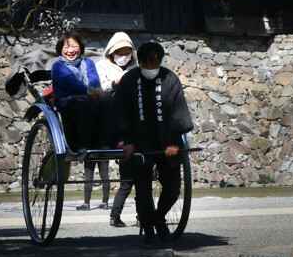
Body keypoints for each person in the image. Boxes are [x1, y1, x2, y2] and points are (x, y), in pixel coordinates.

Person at [111, 40, 194, 243]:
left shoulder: (170, 79)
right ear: (139, 62)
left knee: (173, 187)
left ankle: (159, 217)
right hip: (138, 142)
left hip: (167, 143)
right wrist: (127, 141)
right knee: (143, 189)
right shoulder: (130, 79)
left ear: (160, 62)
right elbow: (120, 112)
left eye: (154, 65)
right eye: (146, 65)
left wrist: (175, 142)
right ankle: (148, 230)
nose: (150, 69)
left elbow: (179, 110)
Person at [77, 31, 135, 210]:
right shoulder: (101, 66)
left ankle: (104, 201)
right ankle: (89, 202)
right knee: (108, 98)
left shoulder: (135, 68)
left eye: (127, 53)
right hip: (107, 106)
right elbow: (98, 87)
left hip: (129, 108)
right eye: (121, 53)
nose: (124, 57)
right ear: (112, 52)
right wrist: (116, 83)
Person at [50, 31, 104, 152]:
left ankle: (105, 143)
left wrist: (96, 91)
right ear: (60, 49)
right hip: (67, 105)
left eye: (74, 46)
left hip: (88, 99)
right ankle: (82, 146)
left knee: (108, 100)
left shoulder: (88, 63)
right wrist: (90, 92)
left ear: (80, 47)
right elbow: (71, 83)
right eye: (66, 47)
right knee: (88, 105)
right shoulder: (58, 66)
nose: (70, 50)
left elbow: (94, 80)